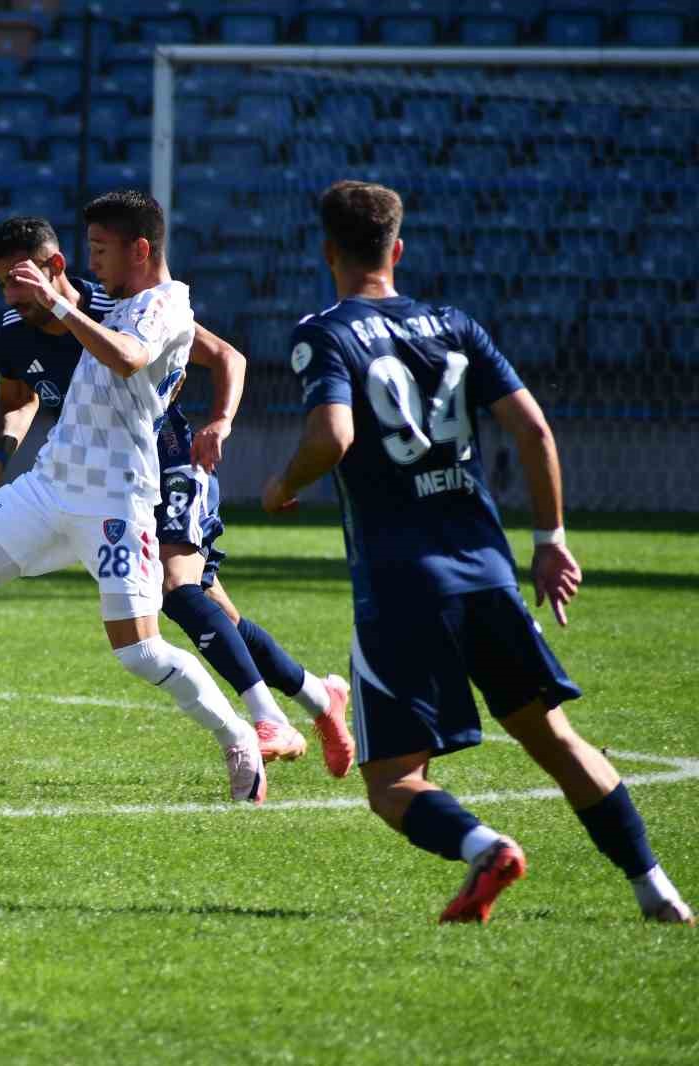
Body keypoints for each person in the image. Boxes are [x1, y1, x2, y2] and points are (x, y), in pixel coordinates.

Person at [262, 179, 692, 924]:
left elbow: (333, 436)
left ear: (328, 251)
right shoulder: (455, 324)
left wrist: (280, 484)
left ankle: (483, 847)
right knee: (553, 737)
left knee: (392, 780)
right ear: (398, 249)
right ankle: (657, 888)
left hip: (402, 582)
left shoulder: (324, 332)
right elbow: (534, 431)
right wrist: (550, 543)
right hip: (488, 569)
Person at [0, 216, 354, 781]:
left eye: (17, 280)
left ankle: (265, 721)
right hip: (71, 479)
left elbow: (225, 357)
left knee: (178, 592)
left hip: (166, 466)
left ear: (56, 267)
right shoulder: (15, 326)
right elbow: (18, 398)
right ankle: (318, 697)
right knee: (214, 610)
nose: (10, 295)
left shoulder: (119, 305)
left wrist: (221, 420)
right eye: (0, 284)